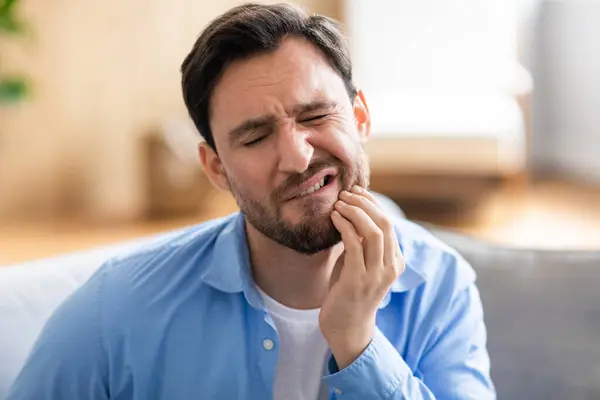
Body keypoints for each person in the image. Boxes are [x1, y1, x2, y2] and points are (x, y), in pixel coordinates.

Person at [8, 3, 495, 399]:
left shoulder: (441, 288)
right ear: (215, 166)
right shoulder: (117, 305)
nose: (297, 156)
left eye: (316, 115)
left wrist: (357, 342)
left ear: (360, 118)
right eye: (256, 136)